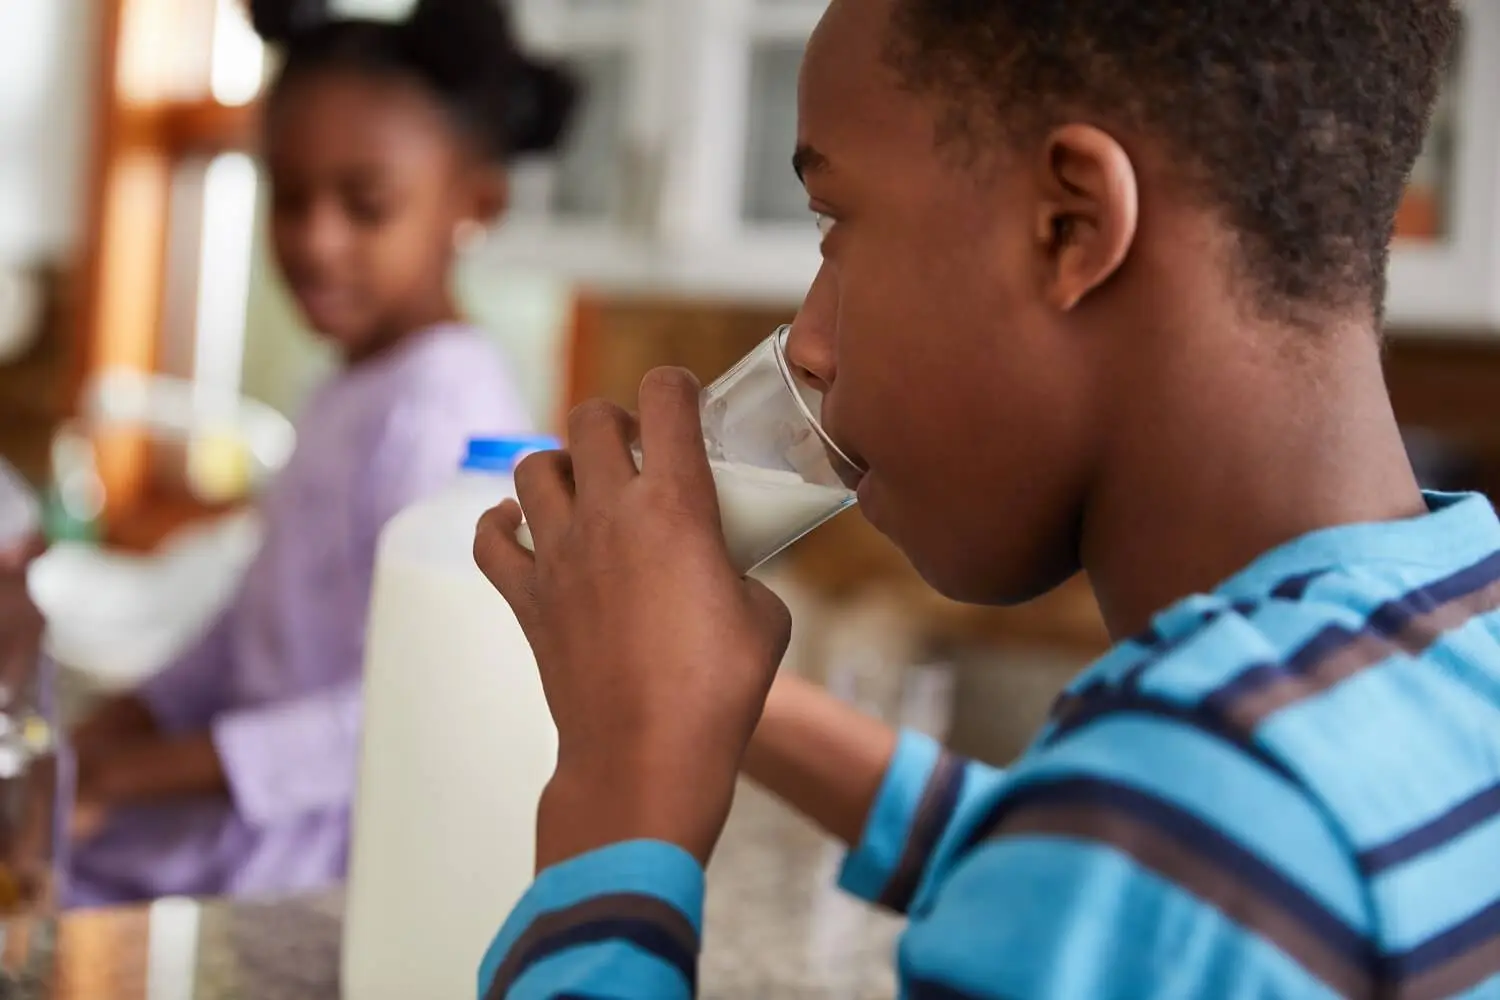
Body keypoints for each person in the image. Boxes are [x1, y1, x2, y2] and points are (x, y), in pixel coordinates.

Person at [472, 0, 1497, 997]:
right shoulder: (1440, 645)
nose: (813, 343)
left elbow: (1121, 855)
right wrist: (696, 688)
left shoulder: (1169, 825)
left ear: (1070, 224)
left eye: (837, 222)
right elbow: (1084, 860)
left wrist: (623, 794)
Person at [66, 0, 574, 906]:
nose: (313, 240)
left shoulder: (447, 411)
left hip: (316, 881)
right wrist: (110, 734)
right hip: (238, 843)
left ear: (477, 204)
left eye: (365, 205)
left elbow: (401, 708)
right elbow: (250, 632)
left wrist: (129, 777)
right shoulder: (348, 388)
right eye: (288, 197)